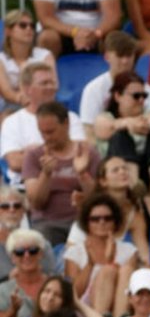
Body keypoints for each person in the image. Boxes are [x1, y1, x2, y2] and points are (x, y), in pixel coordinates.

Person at [21, 101, 98, 246]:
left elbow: (97, 198)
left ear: (66, 124)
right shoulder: (33, 156)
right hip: (47, 223)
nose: (46, 137)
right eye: (42, 132)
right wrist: (46, 174)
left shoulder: (88, 153)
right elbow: (36, 202)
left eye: (51, 131)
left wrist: (82, 174)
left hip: (82, 220)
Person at [0, 63, 87, 174]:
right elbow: (15, 163)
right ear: (27, 89)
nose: (51, 87)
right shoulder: (12, 122)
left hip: (67, 183)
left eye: (52, 83)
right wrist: (62, 150)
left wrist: (32, 152)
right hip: (24, 187)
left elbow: (81, 154)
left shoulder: (70, 117)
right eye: (44, 83)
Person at [64, 192, 135, 317]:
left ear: (115, 221)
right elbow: (74, 294)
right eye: (95, 219)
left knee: (126, 270)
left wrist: (111, 260)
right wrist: (90, 264)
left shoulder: (129, 251)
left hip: (119, 305)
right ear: (87, 223)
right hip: (85, 309)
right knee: (108, 270)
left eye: (108, 218)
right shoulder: (75, 252)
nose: (102, 222)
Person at [30, 0, 121, 58]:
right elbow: (45, 19)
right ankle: (45, 75)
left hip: (96, 33)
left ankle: (118, 77)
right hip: (60, 33)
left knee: (114, 40)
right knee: (47, 38)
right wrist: (75, 32)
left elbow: (113, 17)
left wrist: (96, 34)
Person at [0, 10, 52, 111]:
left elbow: (52, 84)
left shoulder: (45, 55)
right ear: (8, 31)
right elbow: (7, 93)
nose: (29, 29)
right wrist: (22, 97)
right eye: (22, 25)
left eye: (32, 26)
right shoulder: (1, 58)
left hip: (40, 104)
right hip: (9, 105)